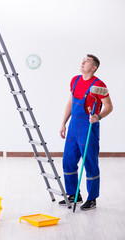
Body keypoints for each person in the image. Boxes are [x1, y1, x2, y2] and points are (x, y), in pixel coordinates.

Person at [59, 54, 113, 210]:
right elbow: (70, 102)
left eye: (87, 61)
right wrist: (63, 123)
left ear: (94, 67)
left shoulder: (99, 85)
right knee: (68, 161)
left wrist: (98, 116)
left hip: (88, 127)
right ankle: (73, 194)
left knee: (89, 163)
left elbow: (109, 106)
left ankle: (92, 198)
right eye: (83, 59)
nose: (82, 62)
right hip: (73, 126)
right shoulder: (75, 80)